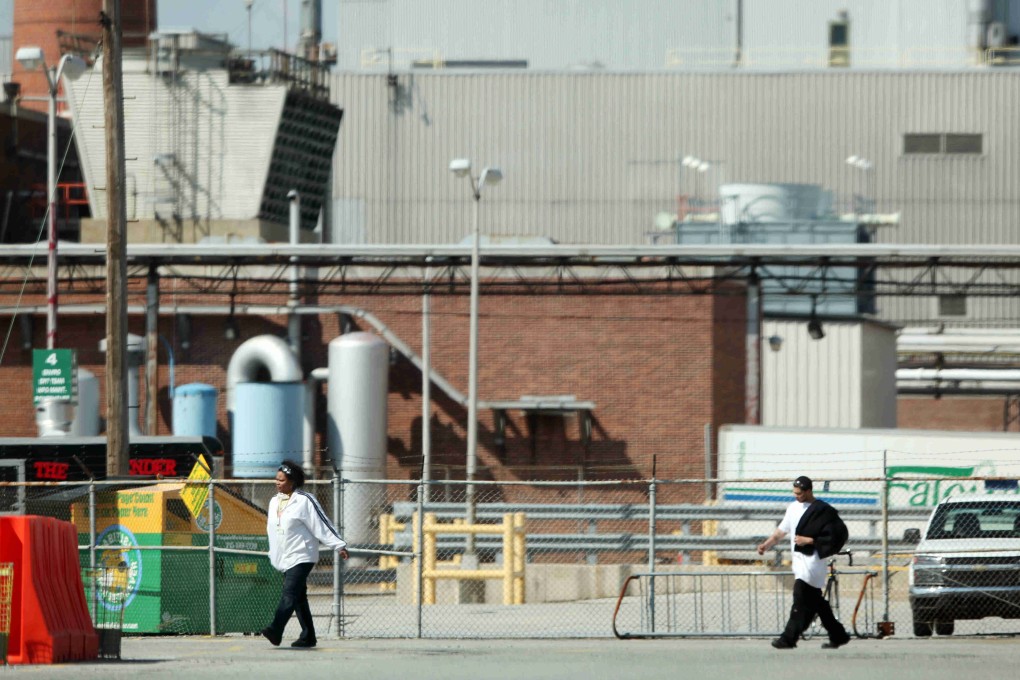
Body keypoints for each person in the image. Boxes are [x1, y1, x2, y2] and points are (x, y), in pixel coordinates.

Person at [756, 475, 851, 650]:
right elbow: (780, 532)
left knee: (800, 599)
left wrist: (810, 540)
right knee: (817, 603)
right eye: (794, 493)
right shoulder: (792, 508)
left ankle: (788, 639)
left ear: (808, 491)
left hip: (813, 563)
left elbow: (833, 536)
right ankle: (839, 635)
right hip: (798, 563)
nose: (797, 496)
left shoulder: (823, 511)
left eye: (800, 493)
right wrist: (766, 545)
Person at [262, 460, 349, 648]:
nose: (277, 483)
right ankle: (308, 636)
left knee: (290, 593)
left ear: (292, 482)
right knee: (299, 597)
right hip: (284, 557)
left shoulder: (304, 500)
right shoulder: (273, 501)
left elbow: (322, 524)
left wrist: (338, 545)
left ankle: (276, 629)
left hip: (302, 555)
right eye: (276, 479)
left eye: (282, 480)